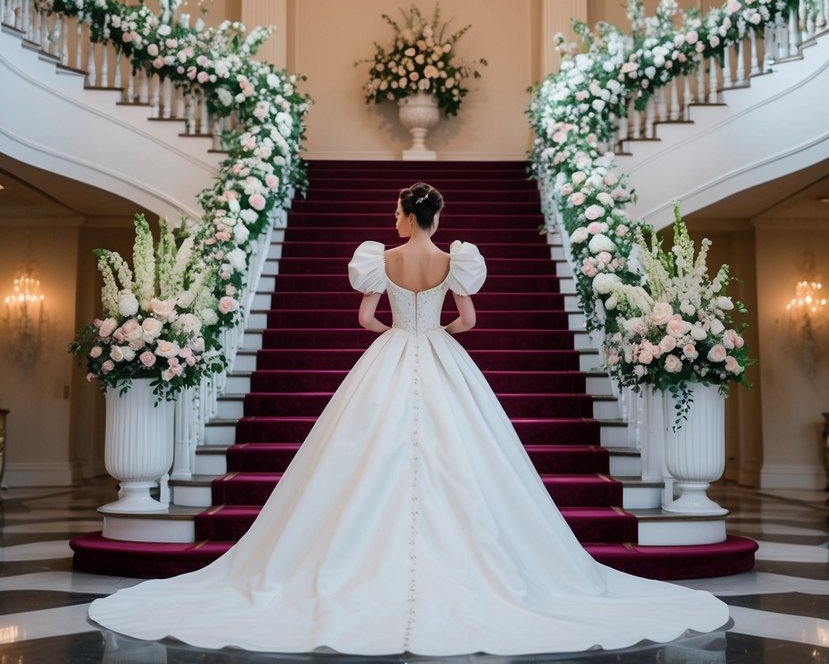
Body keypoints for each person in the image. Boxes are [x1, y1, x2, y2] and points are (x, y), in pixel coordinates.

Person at [89, 181, 729, 655]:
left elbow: (366, 319)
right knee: (471, 462)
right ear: (439, 217)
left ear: (404, 215)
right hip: (440, 354)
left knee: (359, 458)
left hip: (391, 354)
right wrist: (438, 327)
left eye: (395, 210)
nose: (393, 218)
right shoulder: (457, 261)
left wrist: (398, 325)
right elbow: (471, 321)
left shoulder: (381, 261)